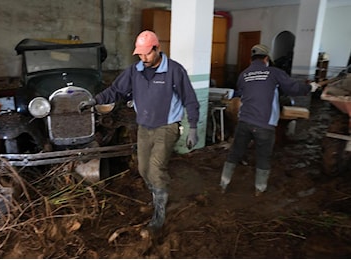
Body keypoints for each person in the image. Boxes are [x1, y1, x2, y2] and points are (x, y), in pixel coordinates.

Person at [78, 30, 200, 234]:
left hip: (167, 127)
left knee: (155, 168)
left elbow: (190, 99)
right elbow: (115, 90)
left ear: (157, 49)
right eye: (140, 54)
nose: (143, 58)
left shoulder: (174, 71)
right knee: (143, 170)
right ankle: (159, 194)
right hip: (144, 126)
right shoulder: (134, 70)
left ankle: (159, 214)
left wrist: (193, 128)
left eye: (147, 54)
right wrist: (94, 100)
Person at [220, 44, 320, 196]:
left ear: (250, 59)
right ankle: (259, 189)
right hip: (264, 124)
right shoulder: (273, 72)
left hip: (244, 121)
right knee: (263, 157)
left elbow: (243, 92)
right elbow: (293, 88)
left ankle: (223, 184)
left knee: (235, 153)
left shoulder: (243, 74)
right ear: (266, 58)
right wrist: (310, 88)